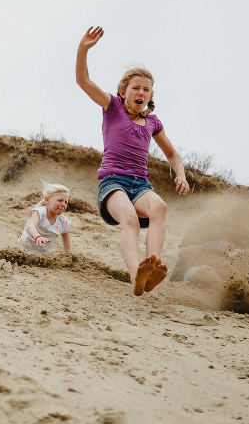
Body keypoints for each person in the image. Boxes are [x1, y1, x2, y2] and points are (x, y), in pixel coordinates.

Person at [75, 26, 190, 296]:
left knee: (160, 207)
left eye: (146, 90)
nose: (141, 92)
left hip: (141, 185)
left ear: (151, 97)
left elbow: (172, 154)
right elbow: (83, 81)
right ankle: (135, 273)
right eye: (135, 87)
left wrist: (181, 174)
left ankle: (151, 266)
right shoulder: (112, 107)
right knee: (130, 220)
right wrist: (83, 49)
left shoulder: (153, 122)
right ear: (123, 92)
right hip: (113, 182)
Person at [170, 185, 249, 287]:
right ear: (227, 202)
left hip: (220, 273)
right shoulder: (206, 220)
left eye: (246, 209)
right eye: (239, 207)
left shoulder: (241, 226)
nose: (242, 213)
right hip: (190, 273)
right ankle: (232, 294)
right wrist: (210, 246)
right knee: (204, 271)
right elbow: (182, 253)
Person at [18, 182, 72, 253]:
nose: (63, 204)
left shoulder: (64, 222)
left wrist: (69, 256)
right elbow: (30, 227)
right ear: (47, 200)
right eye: (60, 200)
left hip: (41, 254)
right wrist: (37, 237)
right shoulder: (39, 212)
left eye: (66, 202)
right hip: (22, 248)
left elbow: (67, 244)